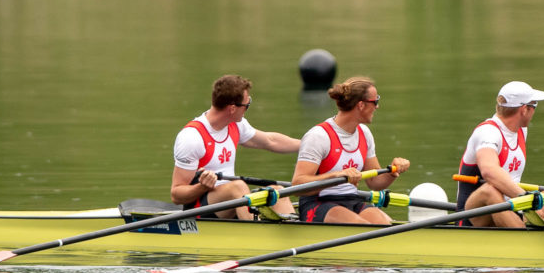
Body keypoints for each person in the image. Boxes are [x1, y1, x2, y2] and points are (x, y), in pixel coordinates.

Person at [171, 75, 301, 220]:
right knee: (238, 187)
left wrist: (307, 147)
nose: (247, 108)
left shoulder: (236, 125)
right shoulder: (192, 137)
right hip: (199, 210)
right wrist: (202, 186)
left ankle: (295, 229)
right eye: (247, 105)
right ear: (232, 108)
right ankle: (254, 229)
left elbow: (270, 141)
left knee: (276, 192)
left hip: (230, 203)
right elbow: (176, 195)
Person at [291, 76, 410, 224]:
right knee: (360, 226)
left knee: (384, 224)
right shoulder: (319, 136)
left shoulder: (364, 133)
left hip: (352, 200)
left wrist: (392, 172)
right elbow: (297, 185)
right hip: (317, 203)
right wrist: (337, 175)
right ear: (361, 105)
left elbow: (374, 182)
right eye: (375, 101)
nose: (377, 106)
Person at [455, 81, 544, 228]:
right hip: (475, 215)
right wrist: (526, 198)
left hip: (512, 207)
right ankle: (523, 238)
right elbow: (489, 171)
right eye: (534, 105)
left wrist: (526, 201)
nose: (534, 111)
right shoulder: (488, 132)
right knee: (490, 190)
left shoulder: (520, 130)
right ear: (524, 110)